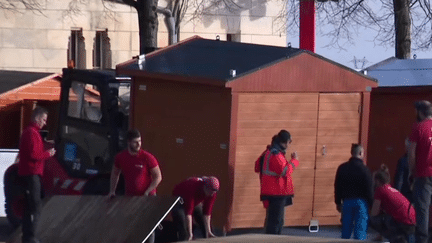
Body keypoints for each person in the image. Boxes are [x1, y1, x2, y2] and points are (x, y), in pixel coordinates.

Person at [108, 129, 162, 243]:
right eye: (135, 142)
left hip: (148, 196)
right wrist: (112, 190)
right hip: (131, 196)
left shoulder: (147, 157)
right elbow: (115, 173)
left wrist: (148, 191)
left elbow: (158, 177)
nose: (138, 144)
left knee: (149, 226)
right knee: (132, 224)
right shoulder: (121, 157)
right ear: (128, 142)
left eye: (140, 141)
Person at [18, 106, 56, 243]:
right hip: (31, 174)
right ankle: (30, 236)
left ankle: (28, 236)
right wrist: (48, 154)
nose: (45, 123)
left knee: (31, 207)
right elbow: (34, 154)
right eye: (44, 119)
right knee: (35, 207)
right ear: (37, 118)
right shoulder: (32, 133)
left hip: (31, 174)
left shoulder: (31, 133)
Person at [254, 129, 299, 235]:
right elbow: (285, 171)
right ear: (285, 142)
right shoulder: (275, 154)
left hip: (271, 192)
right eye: (289, 142)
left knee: (274, 221)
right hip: (276, 193)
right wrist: (295, 161)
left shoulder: (268, 153)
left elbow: (257, 167)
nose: (289, 145)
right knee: (275, 223)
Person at [334, 144, 373, 240]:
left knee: (346, 231)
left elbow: (337, 186)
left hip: (347, 202)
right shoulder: (365, 170)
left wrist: (338, 202)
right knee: (360, 232)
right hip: (361, 203)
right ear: (360, 153)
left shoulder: (342, 168)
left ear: (351, 153)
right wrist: (371, 204)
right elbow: (369, 189)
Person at [370, 164, 416, 243]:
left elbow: (374, 213)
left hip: (402, 222)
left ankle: (396, 238)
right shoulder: (391, 189)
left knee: (372, 219)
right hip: (412, 220)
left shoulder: (380, 190)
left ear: (377, 181)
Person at [408, 100, 432, 243]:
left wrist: (412, 172)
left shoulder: (418, 128)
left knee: (422, 209)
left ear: (420, 112)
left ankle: (422, 240)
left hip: (424, 174)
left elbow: (411, 153)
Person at [171, 176, 219, 241]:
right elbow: (189, 213)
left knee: (203, 219)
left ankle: (208, 236)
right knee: (183, 223)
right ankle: (184, 239)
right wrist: (190, 233)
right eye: (210, 191)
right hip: (179, 199)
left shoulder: (212, 193)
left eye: (214, 192)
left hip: (195, 200)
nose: (211, 194)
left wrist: (209, 231)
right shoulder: (193, 187)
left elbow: (207, 213)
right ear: (205, 187)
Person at [394, 138, 413, 202]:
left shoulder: (403, 161)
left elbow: (399, 179)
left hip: (405, 194)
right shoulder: (421, 161)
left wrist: (397, 196)